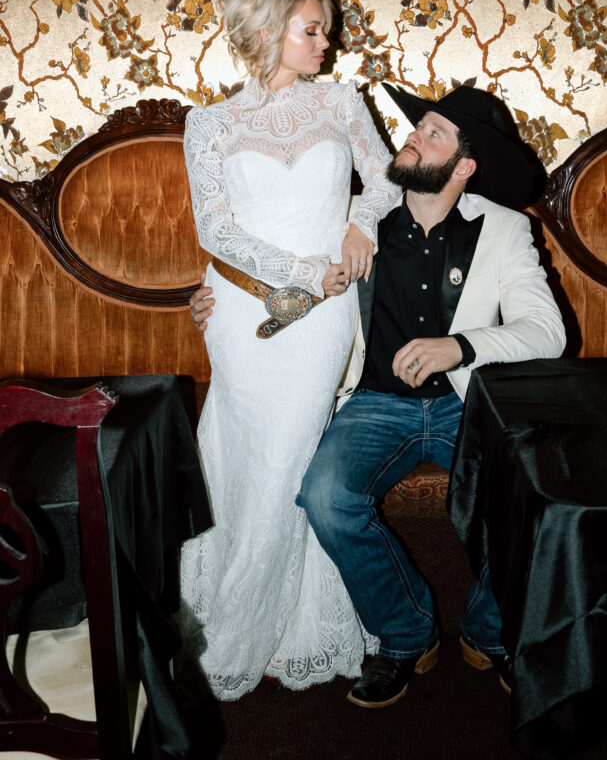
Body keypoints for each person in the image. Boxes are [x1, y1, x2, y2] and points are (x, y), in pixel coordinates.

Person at [188, 81, 566, 707]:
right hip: (373, 404)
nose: (412, 138)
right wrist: (208, 299)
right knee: (325, 496)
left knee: (537, 496)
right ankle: (405, 633)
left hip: (467, 406)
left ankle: (489, 630)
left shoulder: (504, 231)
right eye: (417, 129)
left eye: (432, 134)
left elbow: (546, 331)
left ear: (463, 167)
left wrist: (461, 345)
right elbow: (261, 266)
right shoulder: (352, 223)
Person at [179, 0, 399, 701]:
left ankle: (274, 619)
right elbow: (214, 228)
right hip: (243, 311)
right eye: (313, 31)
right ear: (268, 31)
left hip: (325, 314)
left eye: (328, 33)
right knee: (244, 453)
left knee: (291, 459)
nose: (326, 46)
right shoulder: (208, 122)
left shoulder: (341, 103)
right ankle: (224, 612)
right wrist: (300, 268)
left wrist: (359, 225)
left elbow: (389, 176)